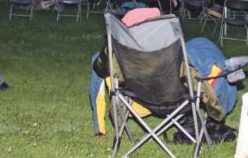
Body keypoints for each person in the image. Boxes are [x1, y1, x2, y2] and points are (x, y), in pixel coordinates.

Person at [89, 8, 239, 142]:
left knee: (201, 48)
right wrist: (220, 111)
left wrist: (99, 128)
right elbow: (217, 74)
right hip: (179, 100)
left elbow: (97, 88)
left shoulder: (109, 58)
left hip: (138, 102)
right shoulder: (186, 56)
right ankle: (212, 118)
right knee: (206, 48)